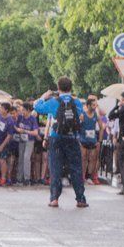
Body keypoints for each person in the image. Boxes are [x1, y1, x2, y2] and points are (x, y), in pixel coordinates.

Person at [34, 76, 88, 208]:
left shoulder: (54, 101)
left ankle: (54, 199)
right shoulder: (77, 102)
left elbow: (38, 108)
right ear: (71, 88)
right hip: (72, 138)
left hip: (56, 137)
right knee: (76, 169)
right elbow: (81, 117)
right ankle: (80, 199)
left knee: (55, 168)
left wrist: (43, 97)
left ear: (58, 88)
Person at [79, 96, 103, 185]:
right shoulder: (83, 115)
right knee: (83, 159)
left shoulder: (96, 115)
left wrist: (99, 141)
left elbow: (101, 127)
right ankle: (82, 177)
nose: (94, 107)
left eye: (95, 105)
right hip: (83, 141)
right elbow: (77, 127)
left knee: (92, 159)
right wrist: (78, 139)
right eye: (93, 105)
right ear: (88, 105)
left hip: (93, 141)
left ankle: (89, 176)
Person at [14, 102, 40, 186]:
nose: (22, 112)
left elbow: (35, 132)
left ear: (28, 110)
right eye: (21, 110)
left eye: (23, 110)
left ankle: (27, 179)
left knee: (26, 157)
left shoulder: (32, 119)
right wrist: (17, 129)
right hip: (21, 140)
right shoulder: (20, 117)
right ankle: (19, 179)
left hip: (30, 140)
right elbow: (15, 126)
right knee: (21, 158)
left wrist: (25, 131)